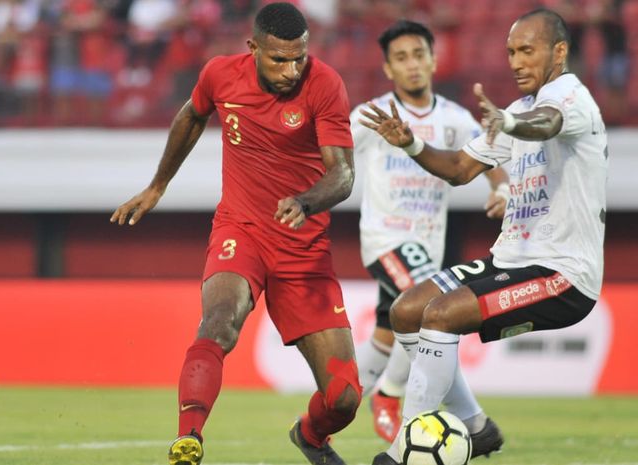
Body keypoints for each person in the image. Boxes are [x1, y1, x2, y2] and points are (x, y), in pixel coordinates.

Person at [110, 4, 360, 465]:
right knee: (220, 322)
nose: (291, 71)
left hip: (303, 248)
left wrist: (305, 201)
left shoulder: (325, 84)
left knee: (344, 398)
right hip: (240, 230)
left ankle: (310, 435)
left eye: (299, 59)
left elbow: (343, 175)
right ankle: (189, 439)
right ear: (252, 49)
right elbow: (190, 116)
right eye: (279, 60)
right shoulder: (220, 75)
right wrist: (157, 186)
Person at [360, 8, 607, 465]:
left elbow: (547, 124)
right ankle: (476, 427)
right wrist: (410, 143)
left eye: (527, 50)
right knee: (407, 309)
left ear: (559, 51)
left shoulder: (572, 100)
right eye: (511, 51)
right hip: (511, 259)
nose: (515, 61)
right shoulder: (515, 111)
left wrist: (510, 125)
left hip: (563, 273)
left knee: (440, 315)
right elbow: (458, 170)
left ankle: (399, 455)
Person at [349, 20, 508, 456]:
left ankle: (322, 418)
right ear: (388, 68)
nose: (412, 65)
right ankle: (473, 422)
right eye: (401, 58)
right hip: (386, 240)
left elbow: (489, 158)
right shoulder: (371, 116)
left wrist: (501, 188)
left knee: (389, 331)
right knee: (428, 318)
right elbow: (329, 153)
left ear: (433, 60)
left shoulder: (455, 120)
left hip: (428, 244)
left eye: (419, 54)